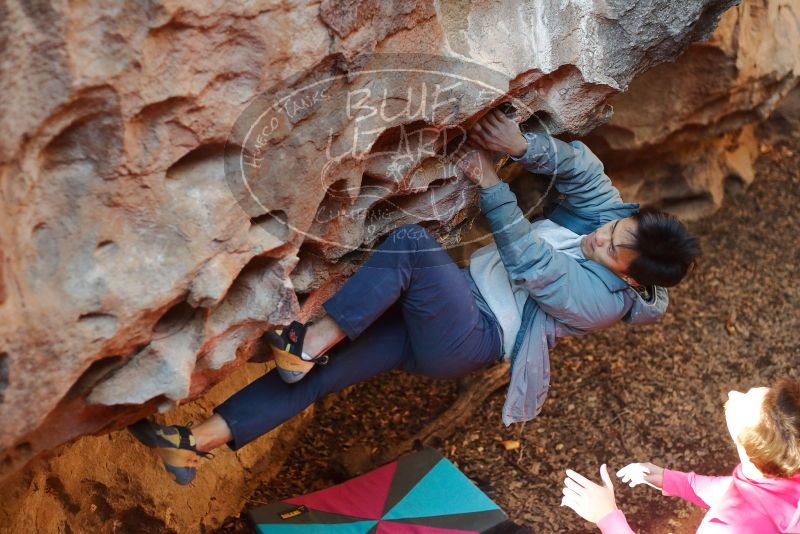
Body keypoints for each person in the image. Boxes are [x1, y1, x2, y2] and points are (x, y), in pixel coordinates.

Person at [128, 109, 700, 485]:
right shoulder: (619, 222)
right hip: (452, 311)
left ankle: (308, 342)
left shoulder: (606, 304)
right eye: (616, 227)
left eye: (613, 247)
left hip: (470, 334)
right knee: (327, 376)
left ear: (631, 277)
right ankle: (193, 445)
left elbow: (534, 265)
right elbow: (585, 172)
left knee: (411, 246)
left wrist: (490, 181)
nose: (603, 233)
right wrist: (523, 146)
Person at [560, 379, 800, 533]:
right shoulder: (785, 469)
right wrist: (671, 480)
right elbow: (740, 492)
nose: (733, 393)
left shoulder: (728, 528)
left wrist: (607, 515)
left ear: (747, 444)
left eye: (743, 400)